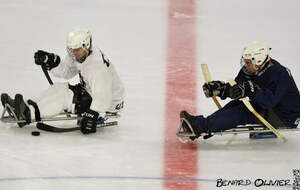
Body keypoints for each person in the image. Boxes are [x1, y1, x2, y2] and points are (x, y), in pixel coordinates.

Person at [1, 28, 125, 134]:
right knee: (59, 88)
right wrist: (51, 61)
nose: (73, 53)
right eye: (71, 49)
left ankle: (28, 115)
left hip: (107, 103)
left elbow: (103, 95)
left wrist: (94, 114)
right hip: (91, 91)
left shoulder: (97, 67)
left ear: (86, 45)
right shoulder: (82, 53)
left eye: (76, 50)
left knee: (65, 97)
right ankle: (24, 107)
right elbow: (67, 71)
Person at [180, 41, 300, 139]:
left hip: (286, 116)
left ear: (258, 61)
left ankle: (201, 126)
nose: (245, 65)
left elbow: (270, 101)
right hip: (270, 108)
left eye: (248, 62)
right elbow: (237, 87)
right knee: (237, 104)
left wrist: (252, 91)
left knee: (245, 111)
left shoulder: (279, 74)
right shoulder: (250, 70)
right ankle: (203, 125)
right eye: (245, 61)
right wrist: (220, 89)